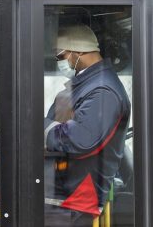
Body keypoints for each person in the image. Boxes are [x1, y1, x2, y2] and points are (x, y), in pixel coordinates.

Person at [44, 24, 131, 226]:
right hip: (65, 192)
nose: (59, 62)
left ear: (78, 52)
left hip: (77, 198)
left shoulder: (103, 91)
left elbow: (80, 139)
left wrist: (38, 125)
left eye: (60, 56)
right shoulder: (88, 85)